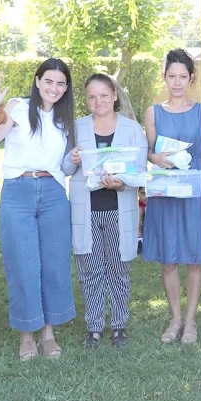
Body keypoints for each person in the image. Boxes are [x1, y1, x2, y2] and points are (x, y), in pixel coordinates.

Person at [0, 58, 77, 360]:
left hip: (53, 193)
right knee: (22, 264)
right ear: (37, 81)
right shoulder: (19, 109)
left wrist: (74, 159)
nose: (54, 88)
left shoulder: (66, 119)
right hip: (17, 193)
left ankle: (48, 333)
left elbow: (63, 166)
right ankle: (26, 335)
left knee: (54, 263)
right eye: (48, 81)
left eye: (60, 83)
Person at [63, 74, 147, 348]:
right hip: (86, 212)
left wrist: (122, 182)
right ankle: (94, 326)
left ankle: (119, 325)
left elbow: (141, 173)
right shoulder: (76, 128)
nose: (98, 101)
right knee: (90, 270)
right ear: (86, 100)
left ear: (114, 95)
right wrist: (71, 158)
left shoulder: (132, 129)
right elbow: (64, 169)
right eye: (91, 96)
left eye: (103, 95)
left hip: (118, 208)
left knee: (119, 269)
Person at [143, 48, 201, 344]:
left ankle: (190, 321)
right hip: (165, 191)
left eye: (182, 76)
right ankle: (174, 318)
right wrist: (155, 157)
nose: (176, 82)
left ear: (191, 78)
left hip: (194, 190)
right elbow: (148, 151)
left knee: (194, 257)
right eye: (171, 76)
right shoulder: (153, 113)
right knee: (169, 258)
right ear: (165, 77)